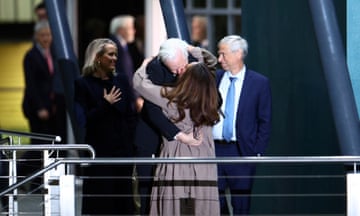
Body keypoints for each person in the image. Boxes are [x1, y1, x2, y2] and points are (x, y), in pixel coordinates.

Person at [133, 45, 220, 216]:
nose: (180, 71)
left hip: (177, 157)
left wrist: (144, 65)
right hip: (204, 157)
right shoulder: (211, 98)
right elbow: (211, 62)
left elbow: (138, 82)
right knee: (198, 202)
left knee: (180, 202)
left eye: (184, 70)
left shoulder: (171, 98)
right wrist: (192, 49)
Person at [74, 38, 135, 215]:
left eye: (116, 54)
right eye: (110, 54)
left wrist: (131, 144)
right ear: (97, 57)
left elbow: (130, 113)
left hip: (123, 150)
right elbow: (84, 120)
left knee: (123, 199)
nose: (115, 58)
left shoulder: (121, 80)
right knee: (101, 199)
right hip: (99, 151)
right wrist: (105, 103)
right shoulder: (82, 84)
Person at [213, 35, 272, 215]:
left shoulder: (259, 83)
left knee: (241, 206)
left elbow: (265, 120)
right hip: (213, 151)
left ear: (238, 54)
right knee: (215, 202)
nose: (219, 59)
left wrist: (256, 152)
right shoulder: (214, 78)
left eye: (223, 54)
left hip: (242, 152)